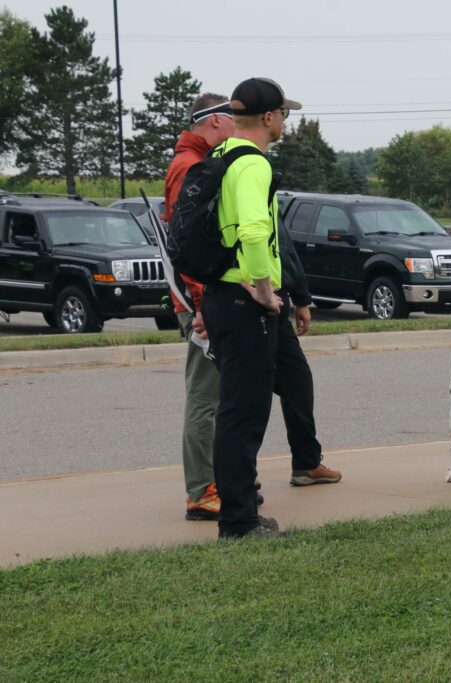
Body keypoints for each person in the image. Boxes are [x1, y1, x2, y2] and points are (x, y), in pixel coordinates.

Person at [201, 77, 340, 539]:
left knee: (239, 409)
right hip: (244, 301)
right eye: (284, 114)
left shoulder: (219, 155)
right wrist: (263, 290)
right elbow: (256, 233)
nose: (286, 122)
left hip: (222, 296)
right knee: (243, 414)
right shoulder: (252, 163)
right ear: (269, 117)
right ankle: (239, 522)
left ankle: (241, 513)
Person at [163, 93, 236, 520]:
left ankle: (219, 479)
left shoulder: (189, 162)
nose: (236, 126)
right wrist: (201, 303)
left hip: (198, 296)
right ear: (213, 122)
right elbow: (186, 245)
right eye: (231, 118)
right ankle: (201, 491)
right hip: (198, 299)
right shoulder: (190, 167)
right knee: (205, 396)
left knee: (218, 393)